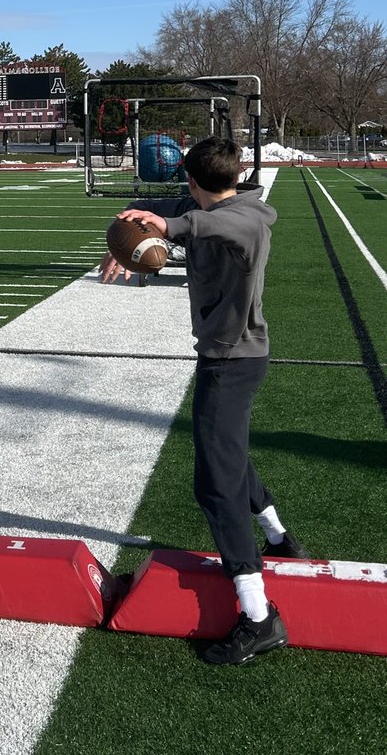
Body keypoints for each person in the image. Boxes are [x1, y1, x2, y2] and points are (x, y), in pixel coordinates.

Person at [100, 136, 308, 666]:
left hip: (232, 360)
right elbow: (171, 213)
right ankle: (280, 539)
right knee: (227, 453)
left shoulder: (246, 219)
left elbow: (205, 224)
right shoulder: (205, 201)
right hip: (227, 356)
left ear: (194, 180)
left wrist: (170, 228)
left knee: (214, 484)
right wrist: (130, 231)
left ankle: (259, 616)